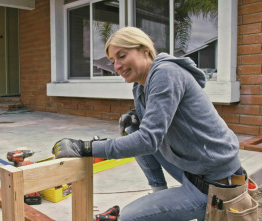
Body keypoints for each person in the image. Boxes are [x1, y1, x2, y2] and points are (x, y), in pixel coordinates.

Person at [52, 27, 245, 220]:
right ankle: (159, 195)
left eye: (122, 56)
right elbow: (153, 124)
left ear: (145, 50)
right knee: (132, 128)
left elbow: (147, 141)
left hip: (216, 186)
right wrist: (136, 114)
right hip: (193, 171)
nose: (117, 66)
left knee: (128, 217)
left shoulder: (165, 73)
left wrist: (86, 147)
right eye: (113, 61)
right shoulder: (140, 84)